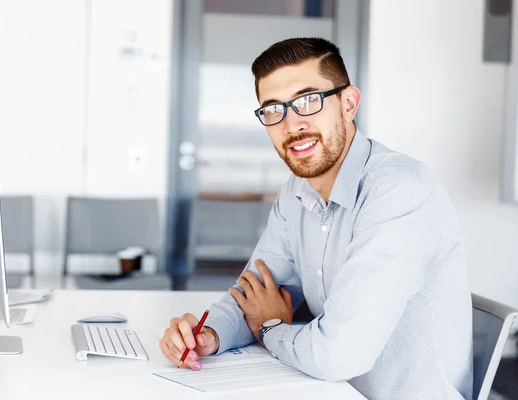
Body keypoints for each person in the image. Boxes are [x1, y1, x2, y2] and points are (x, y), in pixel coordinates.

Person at [160, 37, 473, 400]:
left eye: (308, 101)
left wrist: (270, 327)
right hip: (325, 389)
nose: (292, 125)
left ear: (348, 103)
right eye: (273, 109)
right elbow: (254, 294)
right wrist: (207, 335)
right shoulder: (297, 191)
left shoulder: (401, 193)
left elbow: (340, 354)